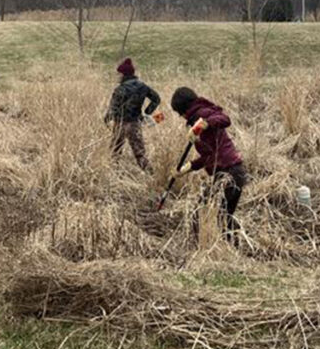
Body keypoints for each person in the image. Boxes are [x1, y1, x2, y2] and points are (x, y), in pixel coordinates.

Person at [170, 86, 246, 244]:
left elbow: (225, 119)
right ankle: (235, 249)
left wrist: (204, 124)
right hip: (236, 172)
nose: (181, 117)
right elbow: (208, 155)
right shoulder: (197, 117)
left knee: (200, 211)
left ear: (184, 109)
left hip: (228, 173)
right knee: (224, 217)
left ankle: (196, 246)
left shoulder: (201, 114)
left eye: (179, 113)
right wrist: (185, 169)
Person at [104, 58, 160, 172]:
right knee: (140, 153)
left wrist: (106, 119)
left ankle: (115, 175)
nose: (117, 76)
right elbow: (156, 99)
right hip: (135, 124)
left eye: (119, 73)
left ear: (124, 74)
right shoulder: (143, 86)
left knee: (115, 152)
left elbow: (113, 108)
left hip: (119, 124)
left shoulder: (120, 89)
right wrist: (147, 112)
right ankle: (151, 175)